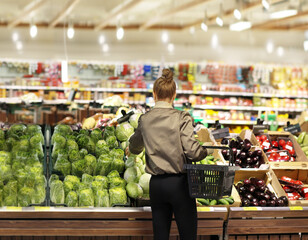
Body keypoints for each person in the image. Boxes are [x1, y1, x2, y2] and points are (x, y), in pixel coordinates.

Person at [128, 68, 213, 240]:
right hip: (180, 185)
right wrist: (209, 148)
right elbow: (193, 152)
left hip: (156, 186)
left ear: (154, 94)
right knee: (187, 235)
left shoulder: (145, 119)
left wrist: (131, 149)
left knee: (160, 236)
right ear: (174, 95)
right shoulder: (182, 117)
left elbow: (135, 147)